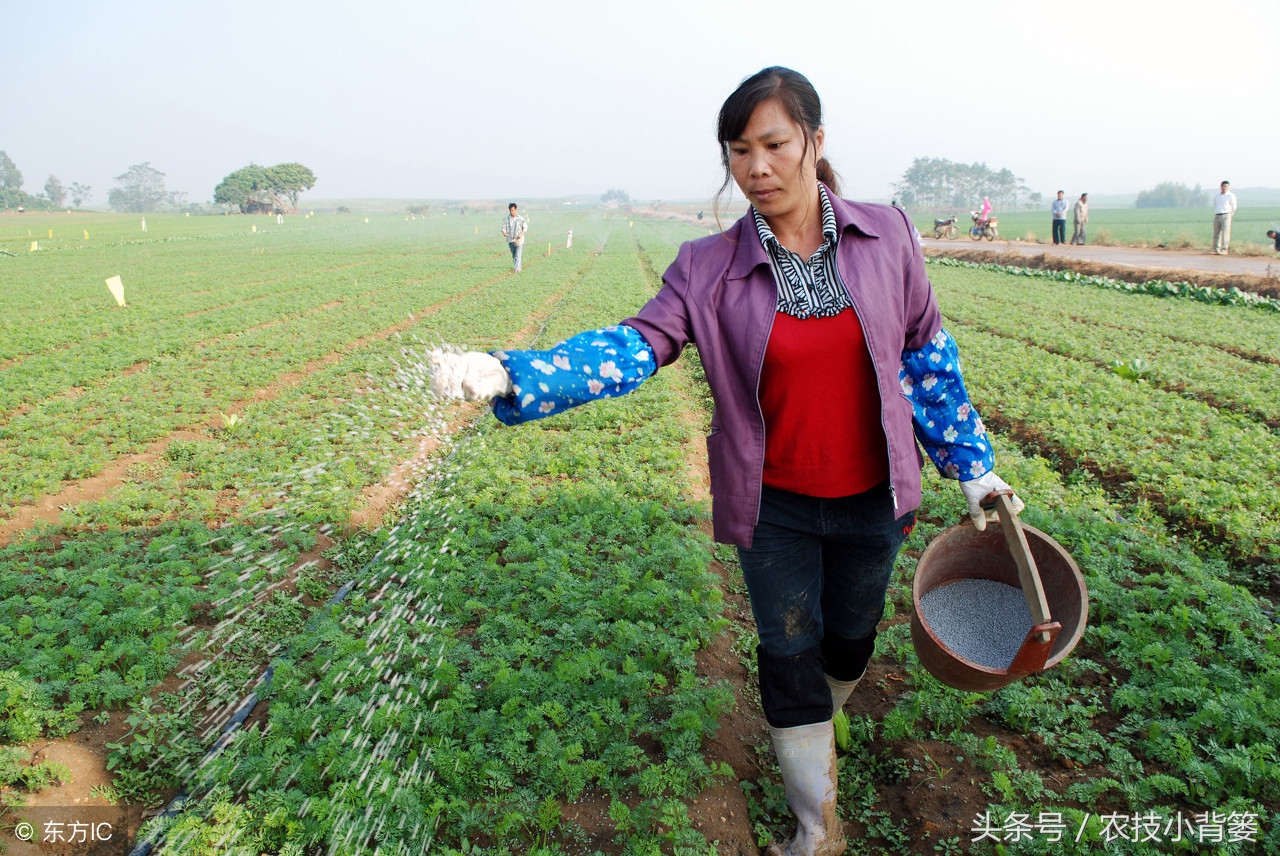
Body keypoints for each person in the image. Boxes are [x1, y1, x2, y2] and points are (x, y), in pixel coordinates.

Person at [430, 67, 1023, 856]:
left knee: (848, 639)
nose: (757, 168)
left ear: (815, 141)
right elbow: (636, 345)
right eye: (738, 151)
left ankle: (826, 717)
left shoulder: (889, 238)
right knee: (785, 648)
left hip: (873, 499)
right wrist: (518, 372)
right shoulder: (705, 267)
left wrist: (973, 465)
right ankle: (816, 826)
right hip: (773, 504)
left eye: (774, 144)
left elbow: (926, 358)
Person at [1212, 180, 1237, 255]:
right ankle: (1216, 248)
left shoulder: (1230, 195)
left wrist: (1231, 214)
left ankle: (1225, 249)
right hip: (1217, 214)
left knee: (1225, 232)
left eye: (1226, 186)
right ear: (1221, 186)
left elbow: (1234, 206)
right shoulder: (1217, 196)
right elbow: (1215, 204)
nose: (1225, 188)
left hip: (1226, 214)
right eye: (1223, 186)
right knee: (1216, 232)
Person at [501, 202, 528, 272]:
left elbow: (525, 228)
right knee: (514, 255)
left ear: (516, 209)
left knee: (517, 255)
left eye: (512, 210)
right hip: (510, 240)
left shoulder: (521, 219)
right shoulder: (506, 219)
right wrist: (504, 233)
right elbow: (503, 228)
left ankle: (516, 269)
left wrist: (521, 234)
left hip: (519, 240)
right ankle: (519, 266)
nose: (511, 212)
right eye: (510, 210)